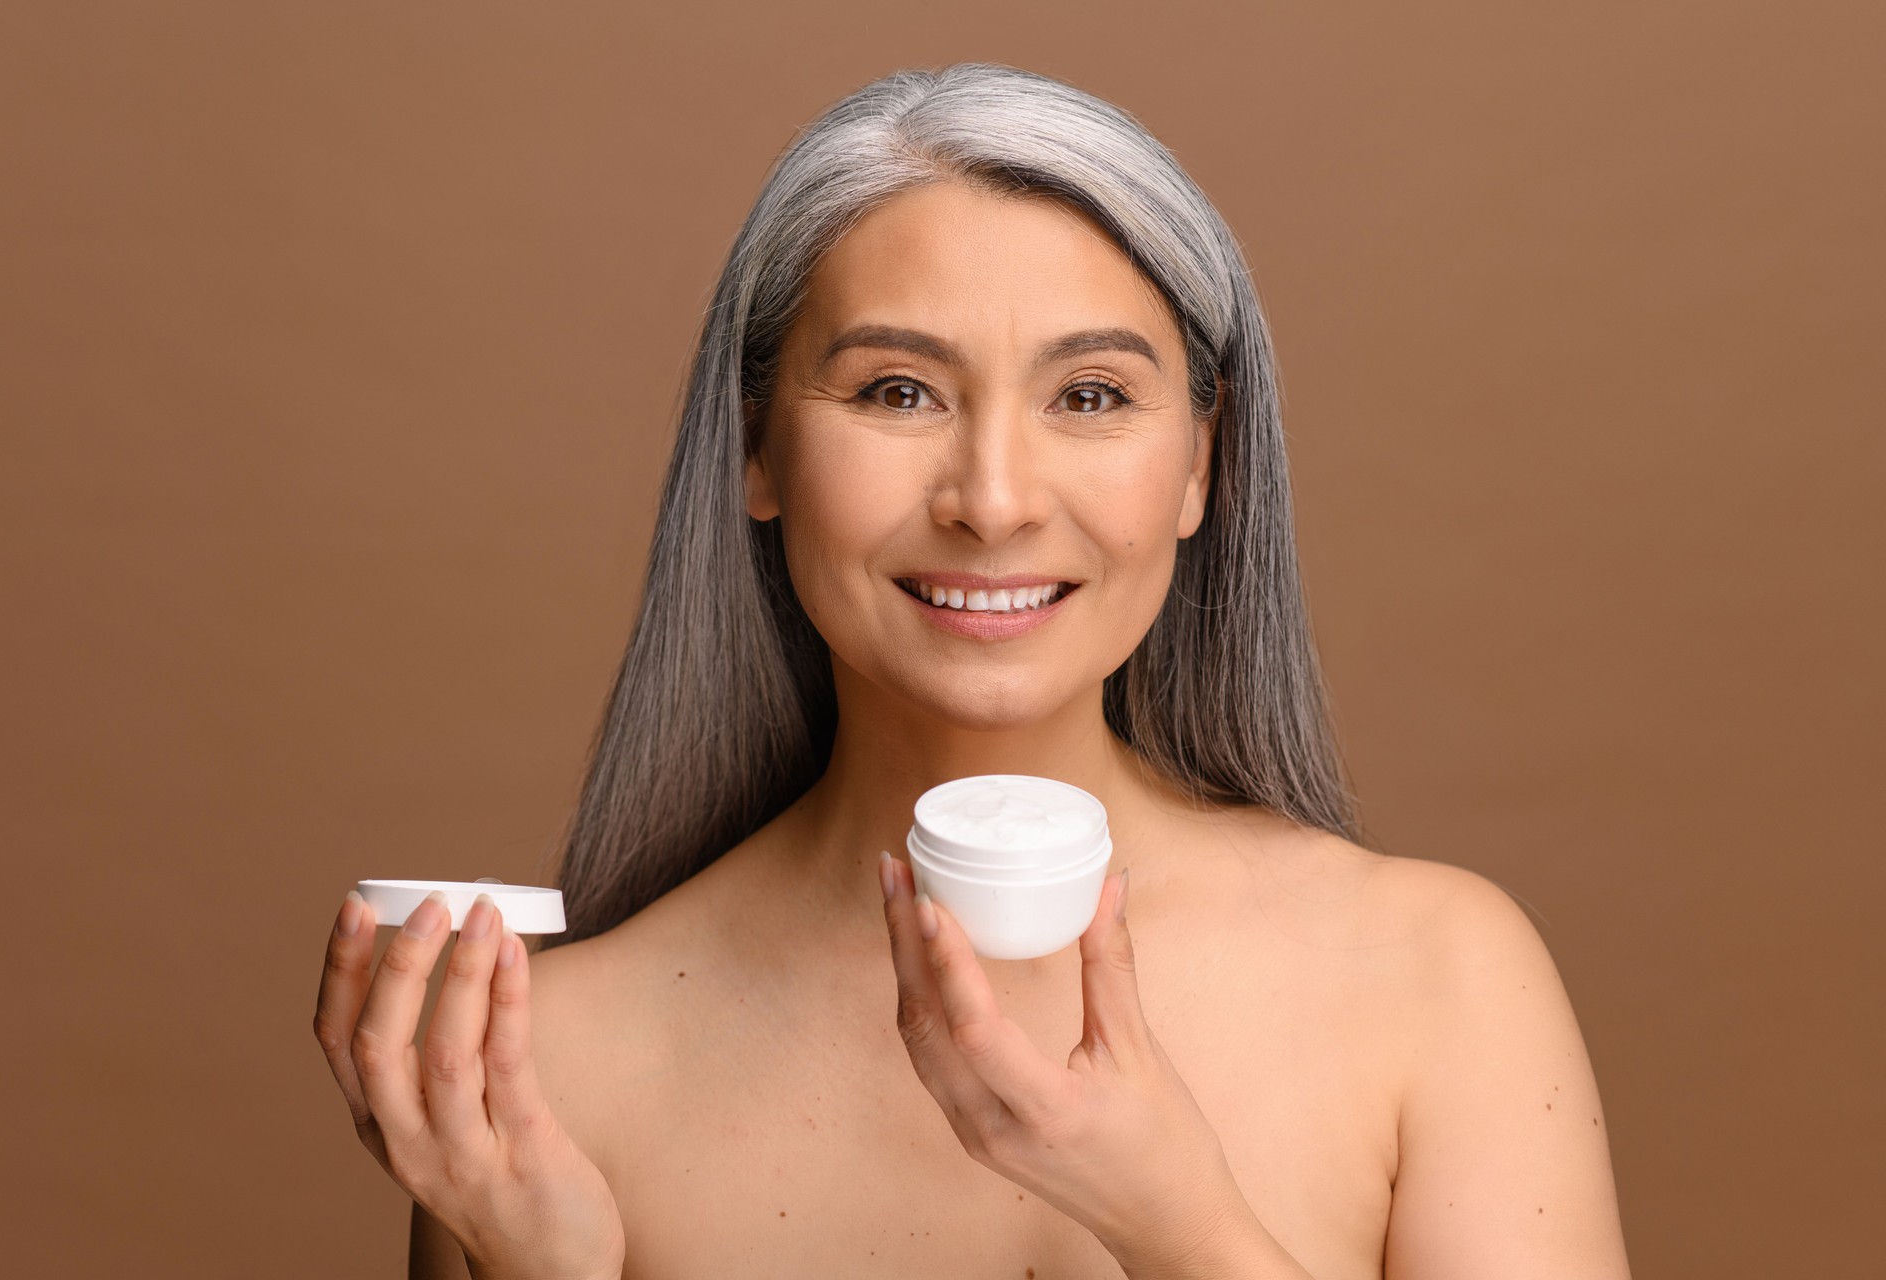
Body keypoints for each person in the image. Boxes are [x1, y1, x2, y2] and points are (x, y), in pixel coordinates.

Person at [314, 62, 1631, 1279]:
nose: (994, 501)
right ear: (754, 449)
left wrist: (1179, 1222)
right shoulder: (550, 1072)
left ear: (1200, 467)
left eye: (1092, 396)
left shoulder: (1439, 980)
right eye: (897, 391)